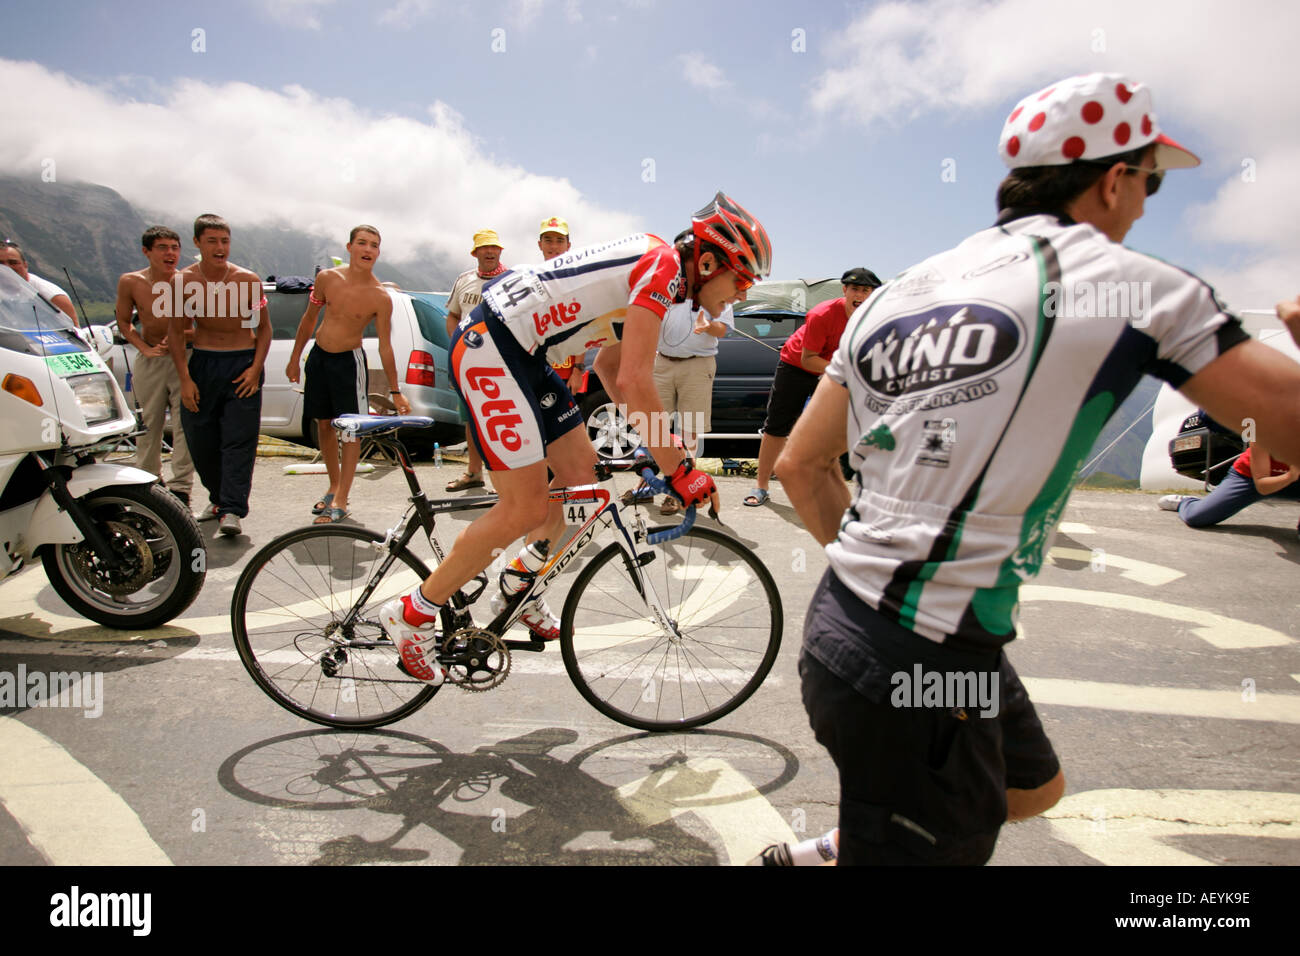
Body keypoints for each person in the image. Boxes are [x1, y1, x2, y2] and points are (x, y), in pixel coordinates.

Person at [774, 72, 1300, 866]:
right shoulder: (1132, 286)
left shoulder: (896, 294)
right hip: (921, 655)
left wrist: (878, 591)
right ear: (1117, 179)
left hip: (854, 630)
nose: (1150, 204)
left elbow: (800, 467)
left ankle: (850, 846)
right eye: (1152, 182)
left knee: (1030, 790)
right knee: (943, 822)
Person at [380, 192, 765, 676]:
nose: (742, 295)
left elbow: (608, 366)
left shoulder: (660, 274)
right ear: (707, 263)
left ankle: (520, 578)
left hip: (526, 354)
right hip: (492, 350)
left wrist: (655, 451)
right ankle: (412, 611)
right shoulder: (663, 268)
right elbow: (633, 380)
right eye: (741, 280)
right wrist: (680, 468)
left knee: (581, 479)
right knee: (524, 507)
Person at [286, 225, 411, 524]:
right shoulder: (327, 279)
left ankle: (343, 497)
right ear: (350, 247)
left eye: (374, 246)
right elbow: (308, 319)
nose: (368, 250)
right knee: (324, 425)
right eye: (363, 243)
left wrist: (395, 390)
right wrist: (294, 359)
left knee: (350, 430)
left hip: (349, 363)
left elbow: (385, 346)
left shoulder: (380, 296)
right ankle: (333, 486)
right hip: (319, 357)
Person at [169, 214, 272, 537]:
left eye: (225, 241)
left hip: (243, 364)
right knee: (201, 440)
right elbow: (174, 334)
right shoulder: (182, 282)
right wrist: (185, 380)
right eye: (212, 241)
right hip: (203, 364)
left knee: (238, 441)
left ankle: (232, 509)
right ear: (198, 243)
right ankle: (217, 499)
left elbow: (264, 329)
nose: (220, 247)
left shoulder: (247, 280)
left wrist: (255, 369)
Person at [744, 267, 881, 507]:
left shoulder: (874, 319)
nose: (860, 295)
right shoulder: (822, 314)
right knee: (776, 427)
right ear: (845, 290)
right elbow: (809, 359)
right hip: (797, 365)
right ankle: (761, 487)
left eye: (866, 290)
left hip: (835, 369)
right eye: (855, 289)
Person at [650, 228, 736, 515]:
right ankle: (646, 484)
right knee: (653, 429)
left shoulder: (717, 284)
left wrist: (707, 325)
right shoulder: (664, 280)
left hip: (697, 366)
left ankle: (679, 491)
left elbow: (723, 329)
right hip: (662, 362)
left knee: (688, 434)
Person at [113, 226, 195, 506]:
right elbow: (124, 321)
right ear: (146, 251)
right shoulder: (131, 282)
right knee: (149, 421)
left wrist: (179, 337)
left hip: (185, 357)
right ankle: (147, 480)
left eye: (174, 247)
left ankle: (181, 487)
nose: (170, 253)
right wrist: (144, 347)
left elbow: (207, 326)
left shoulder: (189, 281)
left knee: (186, 424)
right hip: (151, 359)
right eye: (162, 247)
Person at [442, 230, 507, 493]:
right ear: (475, 253)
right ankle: (474, 472)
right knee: (471, 417)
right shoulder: (464, 280)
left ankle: (503, 479)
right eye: (484, 248)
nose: (490, 252)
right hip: (468, 361)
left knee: (500, 417)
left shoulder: (509, 279)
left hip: (500, 361)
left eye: (494, 248)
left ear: (500, 251)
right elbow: (452, 316)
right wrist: (457, 347)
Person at [1159, 441, 1300, 533]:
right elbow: (1262, 486)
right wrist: (1290, 476)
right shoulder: (1266, 428)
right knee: (1197, 518)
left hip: (1294, 483)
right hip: (1249, 479)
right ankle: (1187, 502)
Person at [537, 216, 583, 389]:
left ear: (568, 246)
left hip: (566, 371)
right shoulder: (530, 279)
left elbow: (582, 328)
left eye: (559, 241)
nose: (554, 246)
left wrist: (578, 370)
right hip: (537, 368)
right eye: (548, 240)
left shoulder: (577, 280)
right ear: (540, 244)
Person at [1, 240, 78, 323]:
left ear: (25, 265)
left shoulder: (53, 297)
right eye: (1, 263)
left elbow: (74, 332)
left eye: (13, 262)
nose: (7, 267)